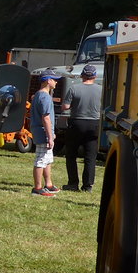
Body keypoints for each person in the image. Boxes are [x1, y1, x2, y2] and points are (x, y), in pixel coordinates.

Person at [61, 63, 102, 192]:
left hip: (76, 123)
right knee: (90, 157)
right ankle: (87, 185)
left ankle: (73, 183)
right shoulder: (101, 90)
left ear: (82, 75)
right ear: (94, 76)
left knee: (71, 154)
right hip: (94, 124)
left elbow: (65, 107)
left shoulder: (74, 88)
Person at [30, 70, 60, 197]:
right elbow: (46, 118)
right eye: (54, 79)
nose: (56, 82)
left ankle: (48, 184)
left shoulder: (38, 94)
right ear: (48, 80)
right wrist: (50, 136)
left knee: (47, 159)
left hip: (42, 132)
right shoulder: (45, 97)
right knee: (41, 160)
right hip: (43, 133)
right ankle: (37, 188)